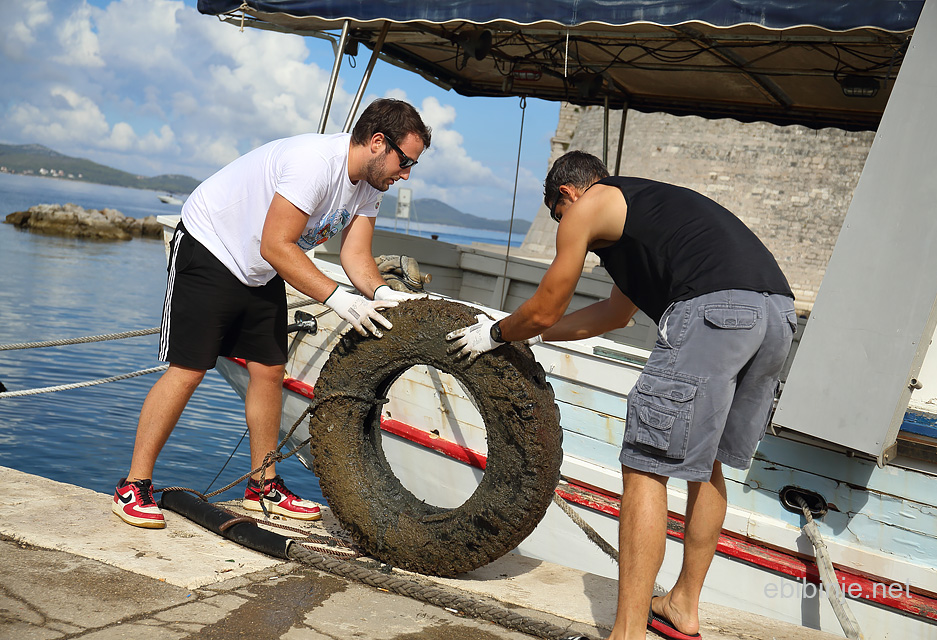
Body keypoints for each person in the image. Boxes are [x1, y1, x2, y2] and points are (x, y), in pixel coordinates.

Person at [447, 151, 796, 640]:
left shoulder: (588, 205)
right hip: (776, 316)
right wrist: (532, 336)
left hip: (714, 311)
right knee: (707, 462)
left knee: (645, 465)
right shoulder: (646, 217)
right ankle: (681, 606)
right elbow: (612, 314)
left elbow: (547, 306)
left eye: (557, 217)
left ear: (567, 195)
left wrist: (499, 333)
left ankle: (626, 633)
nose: (564, 228)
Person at [113, 98, 432, 529]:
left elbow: (356, 254)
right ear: (378, 143)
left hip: (260, 267)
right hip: (211, 246)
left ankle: (262, 486)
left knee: (268, 369)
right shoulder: (315, 163)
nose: (407, 174)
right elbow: (276, 245)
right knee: (189, 368)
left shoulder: (369, 187)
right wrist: (339, 300)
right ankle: (133, 486)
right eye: (406, 160)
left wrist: (378, 292)